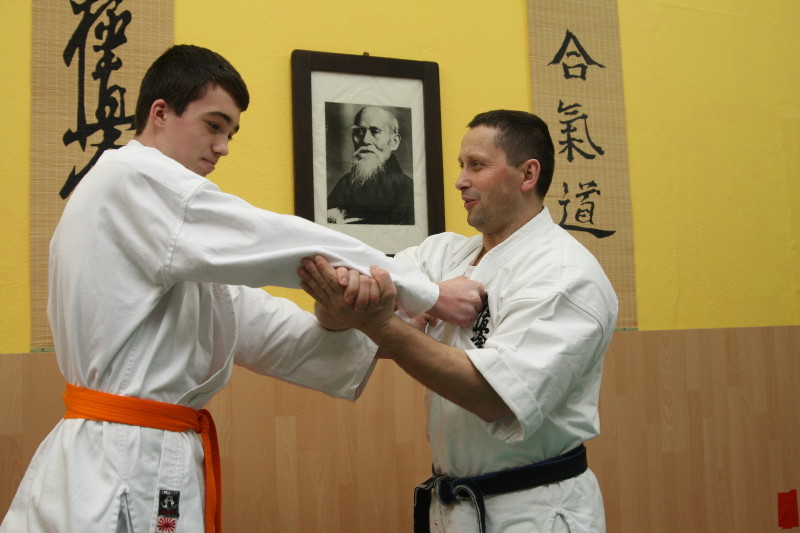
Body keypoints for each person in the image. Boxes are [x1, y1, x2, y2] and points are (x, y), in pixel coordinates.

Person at [0, 45, 485, 533]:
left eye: (229, 134)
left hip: (124, 449)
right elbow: (272, 237)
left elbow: (257, 326)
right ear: (160, 113)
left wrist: (377, 327)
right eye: (213, 126)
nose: (223, 147)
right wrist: (427, 292)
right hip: (124, 459)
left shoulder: (160, 234)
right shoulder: (135, 179)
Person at [299, 110, 619, 532]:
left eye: (477, 166)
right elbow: (346, 294)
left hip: (533, 510)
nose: (460, 181)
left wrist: (381, 325)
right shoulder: (444, 255)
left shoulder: (565, 275)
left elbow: (494, 396)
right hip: (455, 504)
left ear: (528, 174)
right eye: (461, 165)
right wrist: (342, 301)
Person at [327, 105, 415, 225]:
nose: (365, 140)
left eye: (375, 132)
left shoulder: (409, 191)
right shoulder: (344, 185)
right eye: (359, 131)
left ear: (394, 142)